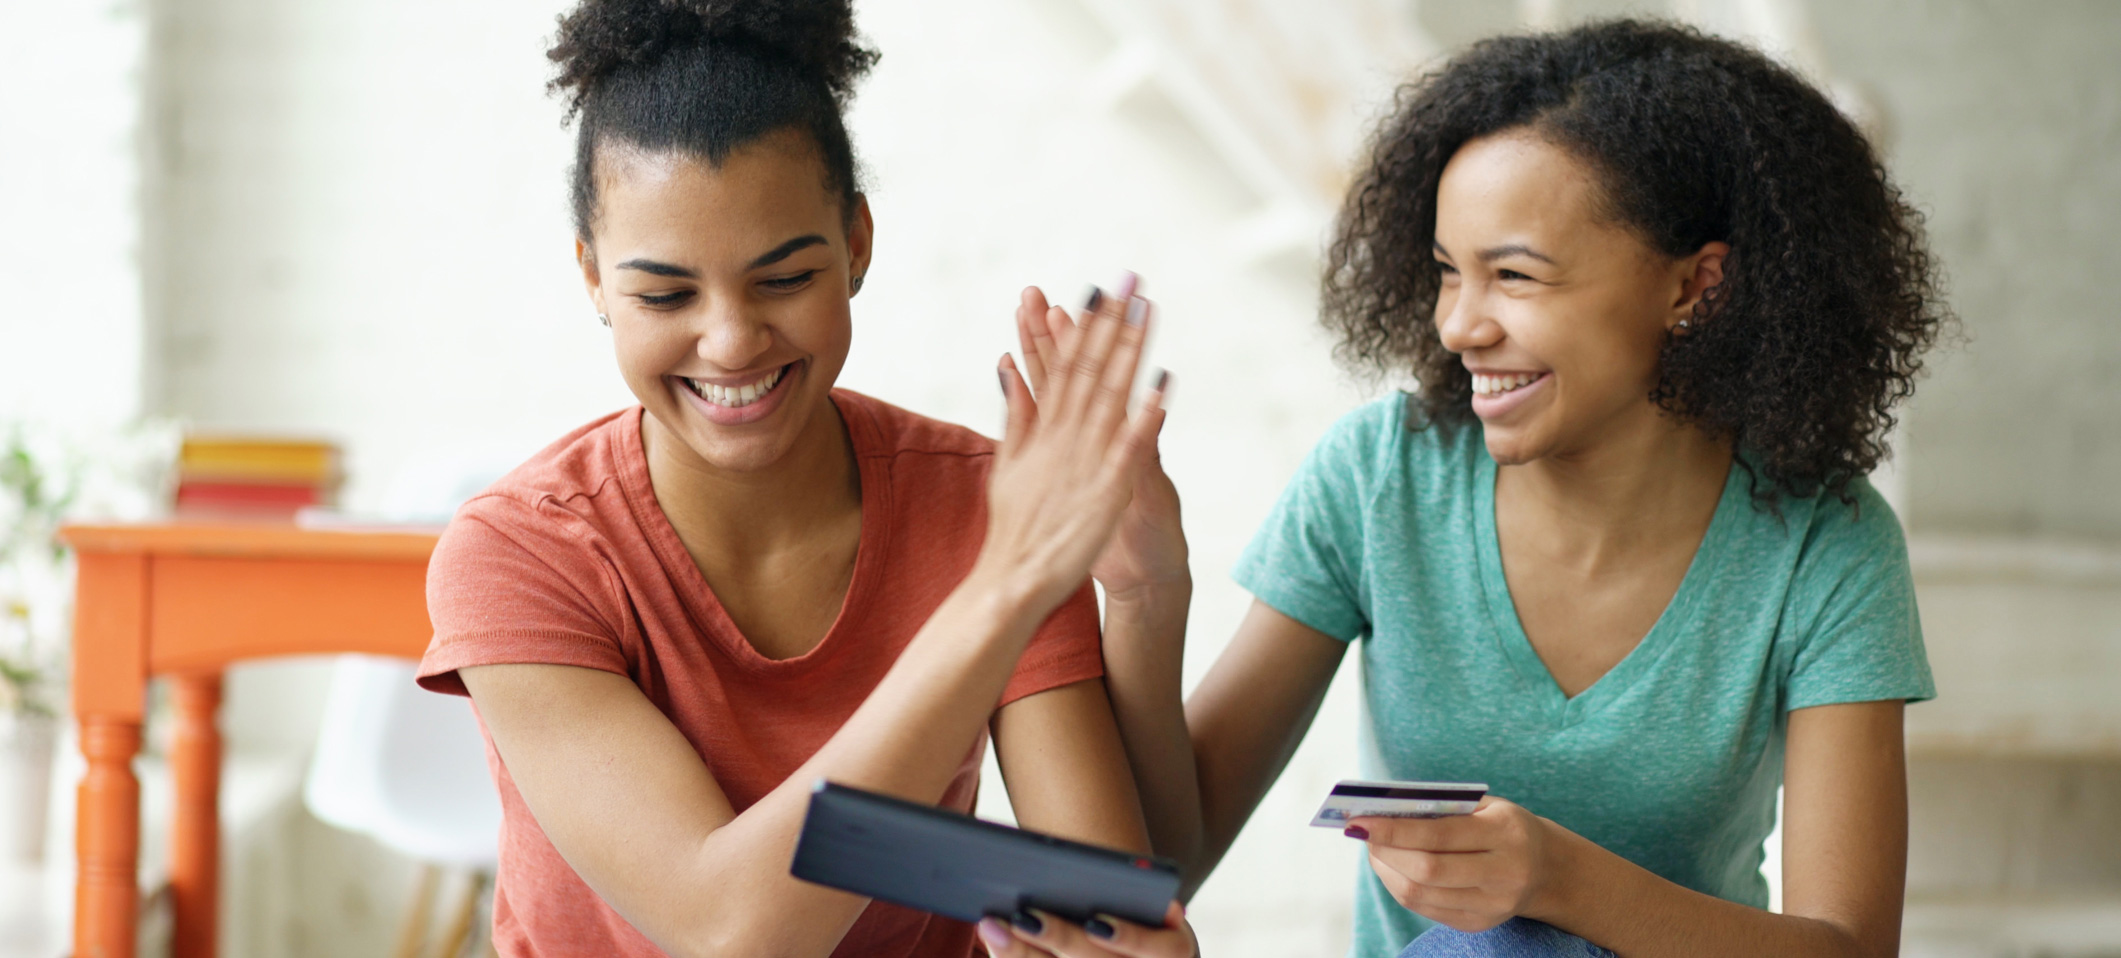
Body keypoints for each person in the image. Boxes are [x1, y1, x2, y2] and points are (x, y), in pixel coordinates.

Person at [1072, 19, 1948, 958]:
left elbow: (1850, 949)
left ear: (1696, 288)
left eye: (1513, 276)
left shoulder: (1824, 544)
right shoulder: (1381, 480)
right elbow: (1166, 863)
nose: (1457, 325)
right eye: (1448, 271)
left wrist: (1555, 880)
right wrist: (1144, 598)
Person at [411, 2, 1195, 955]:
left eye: (784, 279)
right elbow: (727, 930)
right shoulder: (520, 552)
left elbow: (1099, 901)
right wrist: (1006, 587)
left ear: (856, 242)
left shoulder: (987, 508)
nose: (733, 340)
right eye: (664, 294)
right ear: (591, 278)